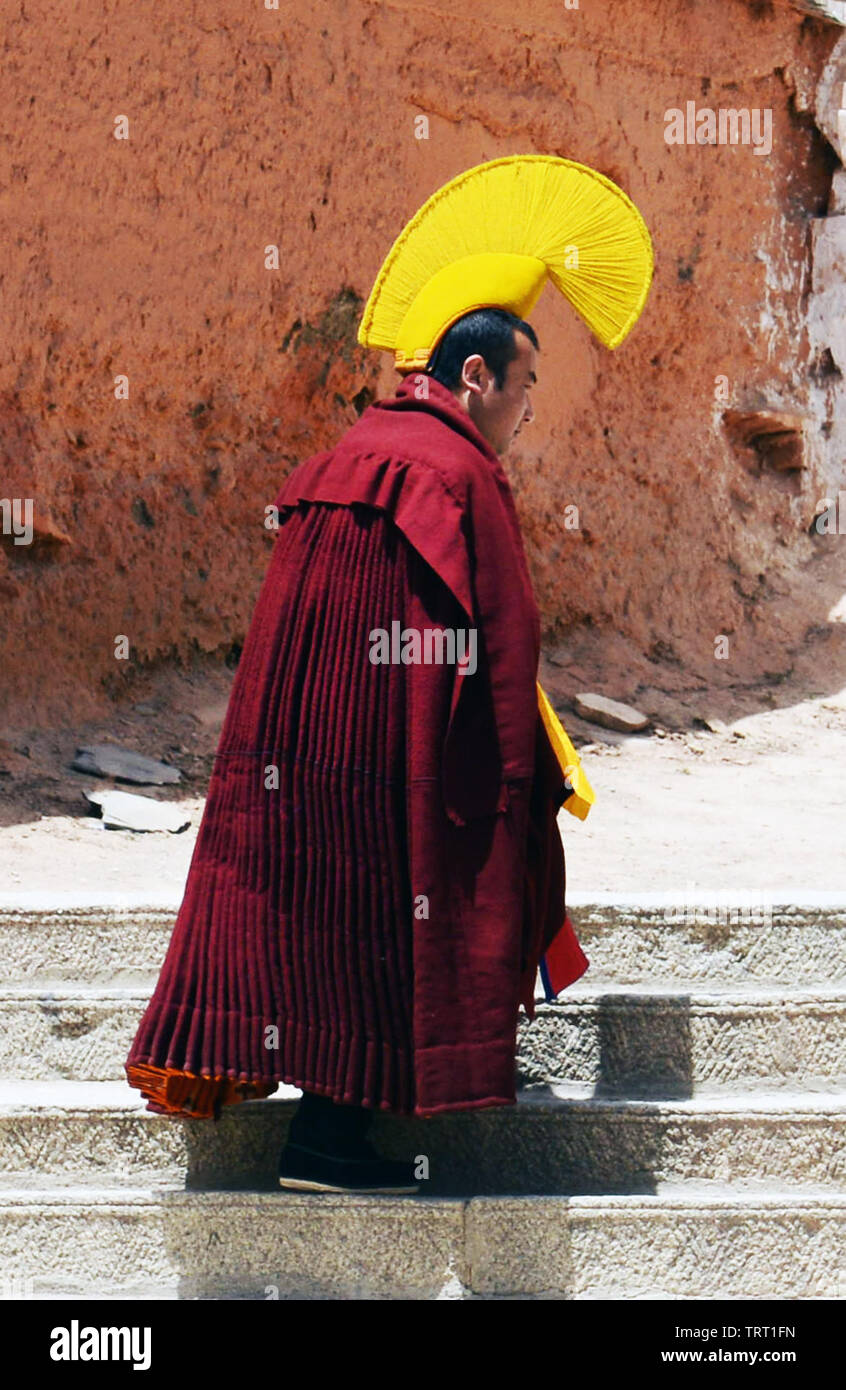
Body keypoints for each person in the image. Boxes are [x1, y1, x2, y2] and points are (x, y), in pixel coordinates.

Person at [124, 155, 653, 1195]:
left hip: (298, 748)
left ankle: (326, 1140)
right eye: (528, 384)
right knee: (390, 915)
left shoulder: (342, 458)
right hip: (389, 751)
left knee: (321, 921)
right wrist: (510, 789)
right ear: (475, 379)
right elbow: (505, 637)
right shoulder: (460, 476)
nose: (531, 408)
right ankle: (327, 1147)